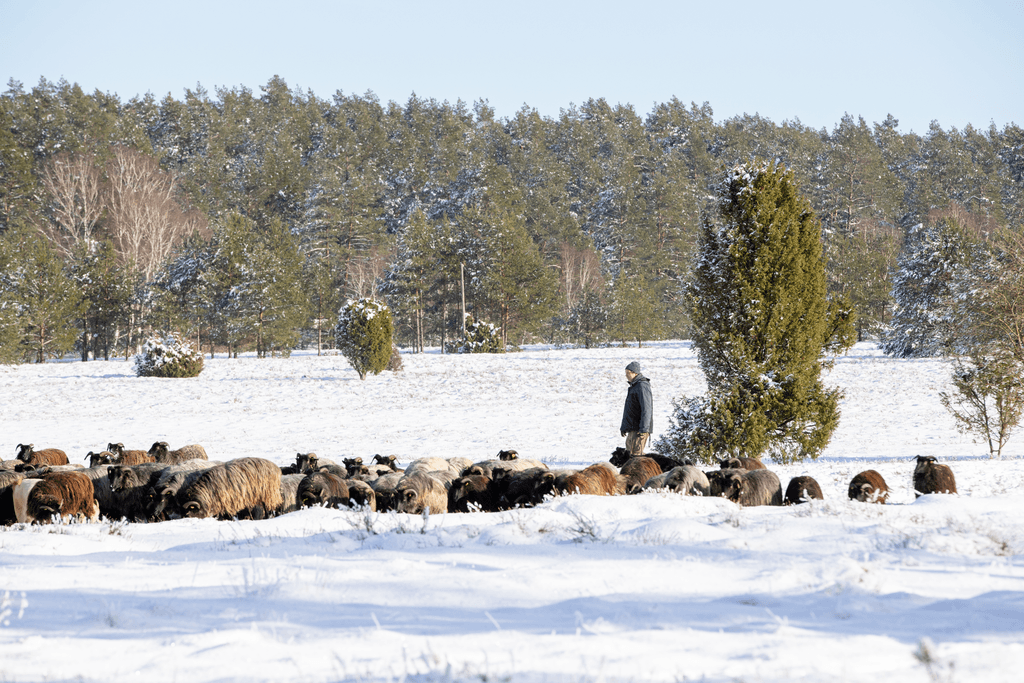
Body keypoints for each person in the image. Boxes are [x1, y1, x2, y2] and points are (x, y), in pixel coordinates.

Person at [620, 361, 653, 455]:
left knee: (636, 456)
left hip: (639, 429)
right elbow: (629, 409)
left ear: (635, 373)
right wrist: (624, 427)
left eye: (628, 373)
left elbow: (647, 408)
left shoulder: (642, 386)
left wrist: (644, 429)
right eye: (625, 373)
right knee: (629, 454)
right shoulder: (634, 386)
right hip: (633, 428)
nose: (626, 375)